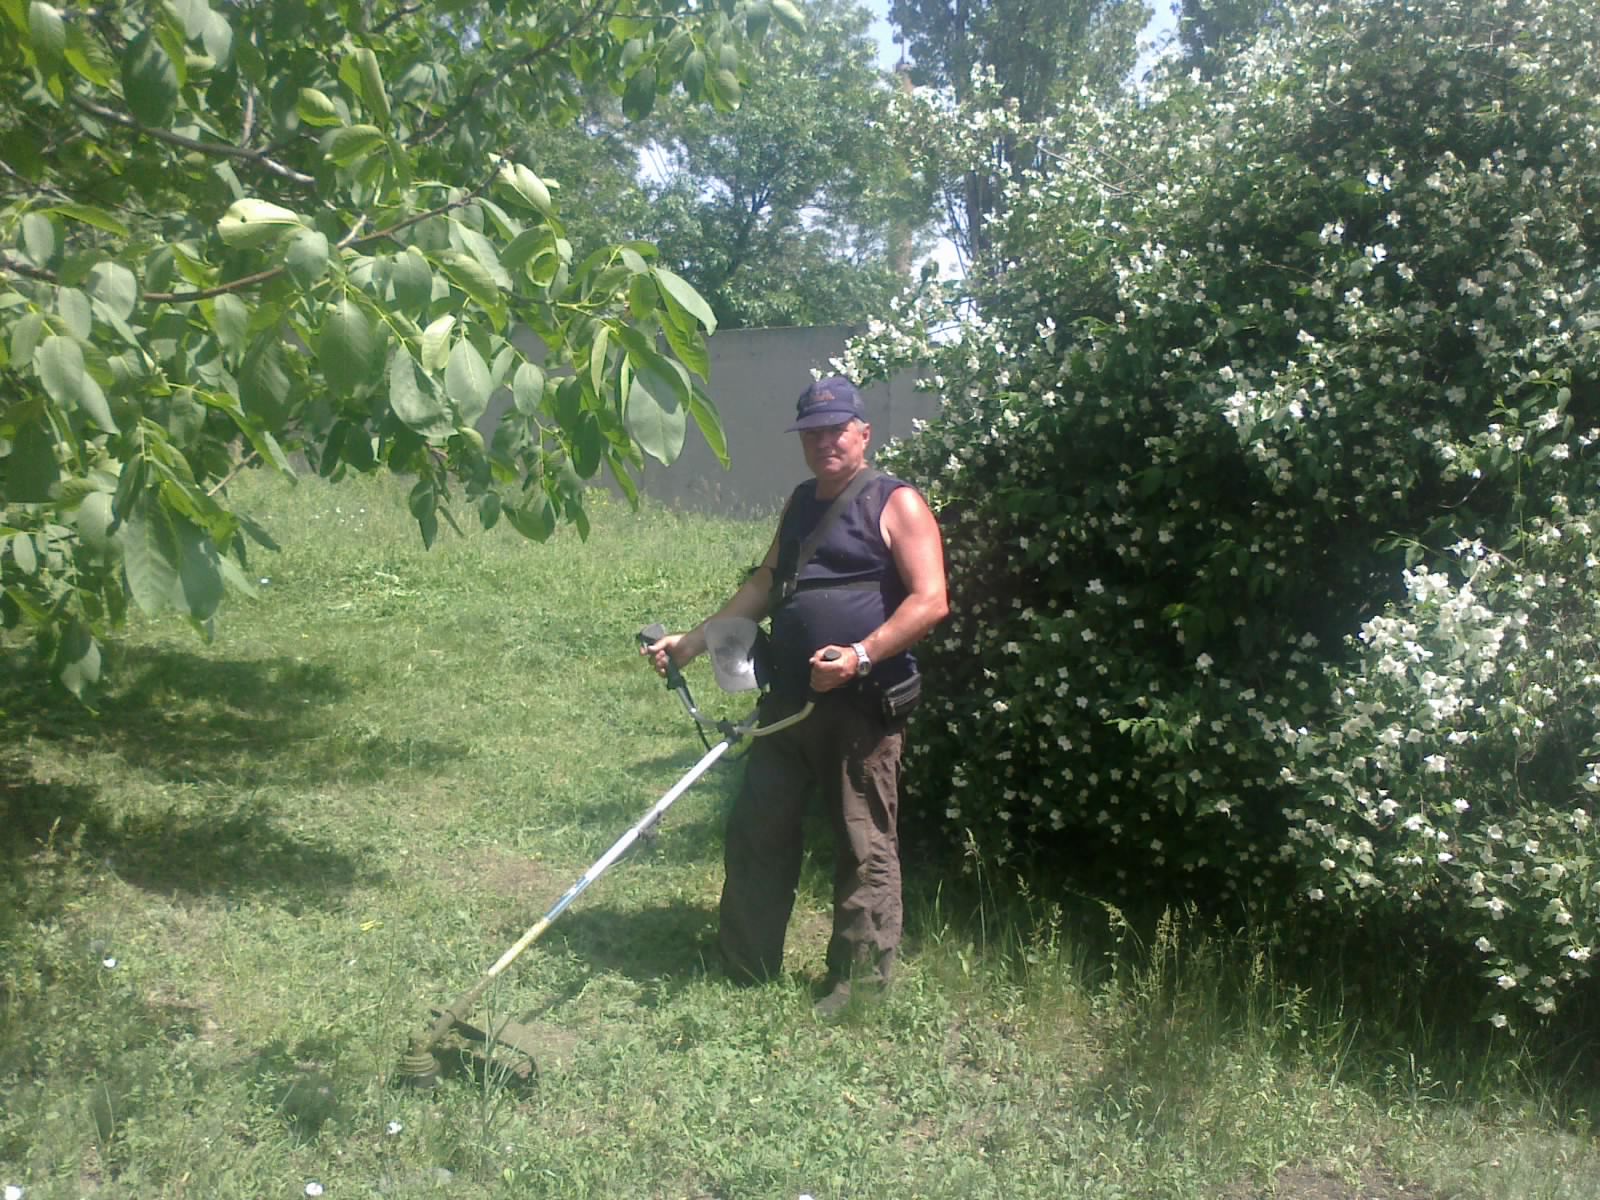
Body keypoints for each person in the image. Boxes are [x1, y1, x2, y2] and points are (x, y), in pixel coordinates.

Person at [643, 375, 948, 1016]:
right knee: (757, 830)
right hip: (786, 704)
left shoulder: (897, 502)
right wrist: (692, 643)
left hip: (862, 707)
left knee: (864, 846)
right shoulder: (802, 501)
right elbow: (765, 584)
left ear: (864, 433)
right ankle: (744, 964)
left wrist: (860, 655)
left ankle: (859, 987)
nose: (824, 442)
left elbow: (931, 601)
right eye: (812, 433)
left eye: (836, 430)